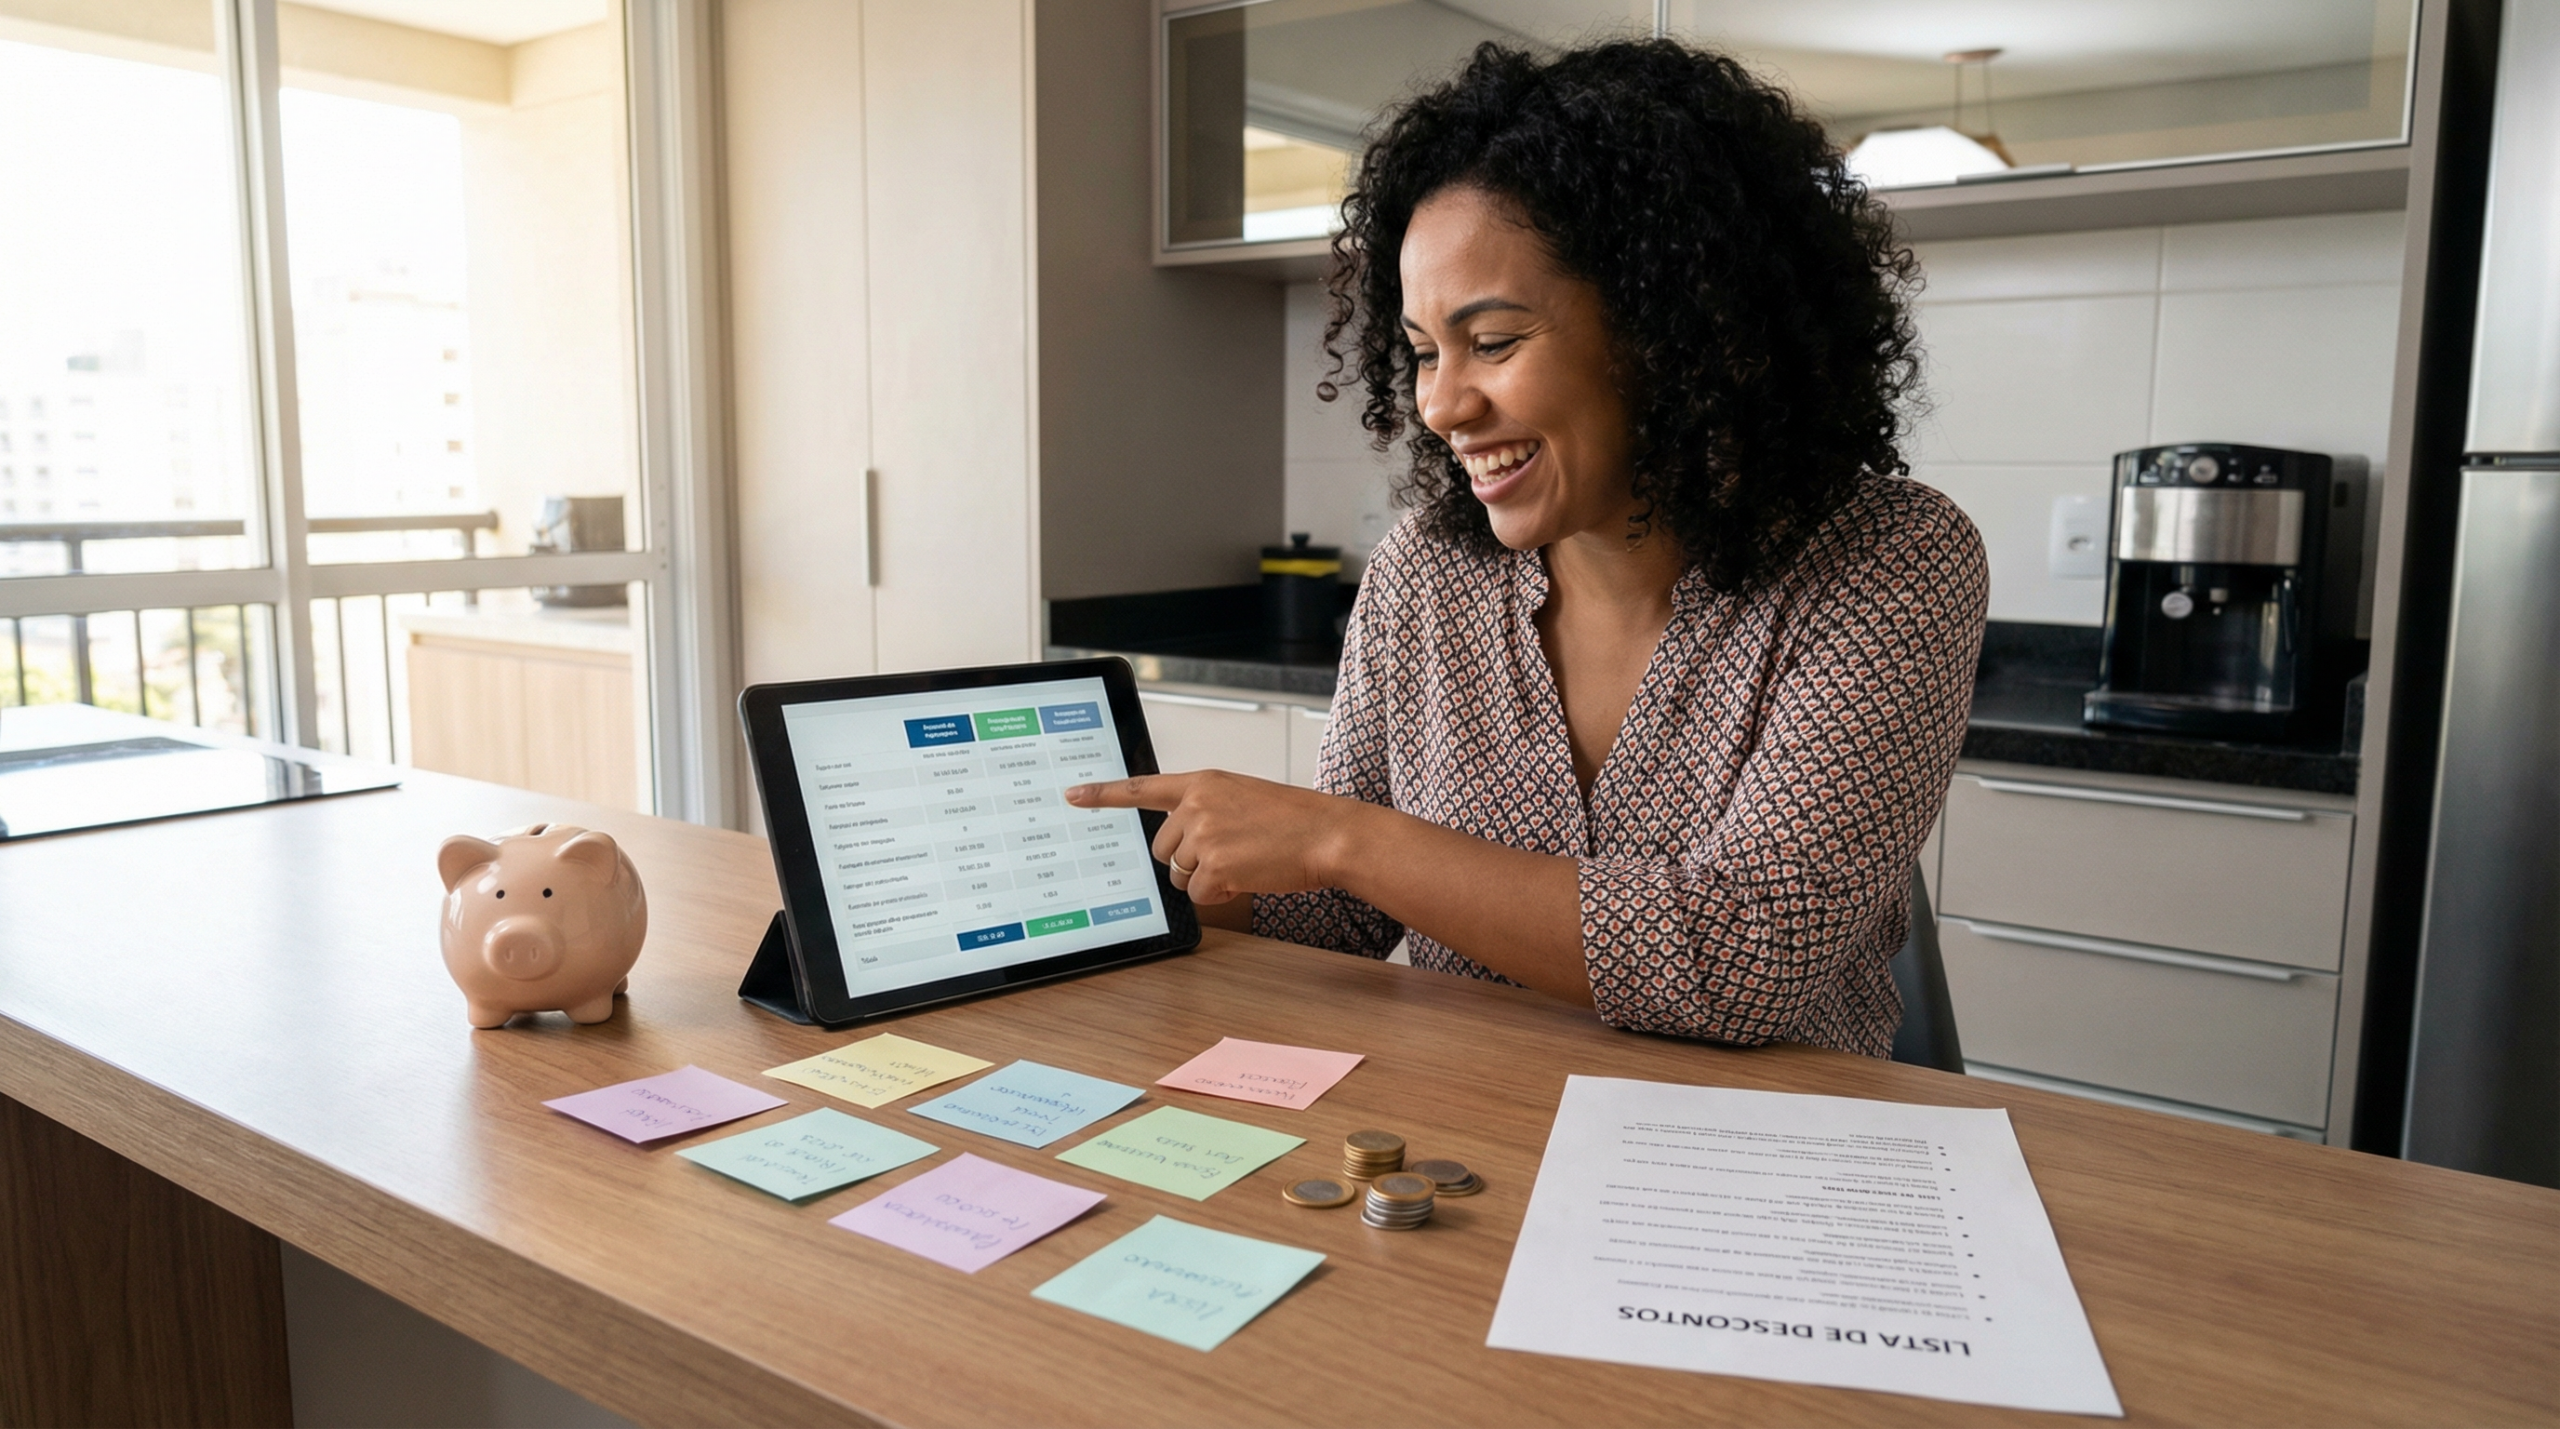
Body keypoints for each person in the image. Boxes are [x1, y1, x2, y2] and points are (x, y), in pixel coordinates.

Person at [1065, 39, 1986, 1058]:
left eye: (1492, 341)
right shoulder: (1423, 572)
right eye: (1420, 353)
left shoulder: (1888, 558)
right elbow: (1342, 916)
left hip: (1770, 1167)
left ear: (1670, 323)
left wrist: (1338, 836)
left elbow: (1744, 963)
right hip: (1473, 1130)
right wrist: (1152, 884)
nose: (1441, 403)